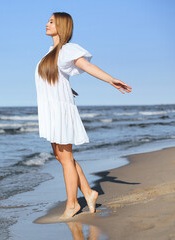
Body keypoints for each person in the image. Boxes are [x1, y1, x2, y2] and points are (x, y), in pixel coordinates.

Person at [34, 12, 132, 219]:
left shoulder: (68, 49)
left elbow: (87, 66)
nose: (46, 24)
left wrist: (110, 79)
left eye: (51, 21)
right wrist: (66, 89)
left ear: (61, 26)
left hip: (60, 110)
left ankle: (72, 205)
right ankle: (88, 192)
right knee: (61, 156)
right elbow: (55, 79)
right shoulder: (51, 52)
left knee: (66, 157)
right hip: (51, 109)